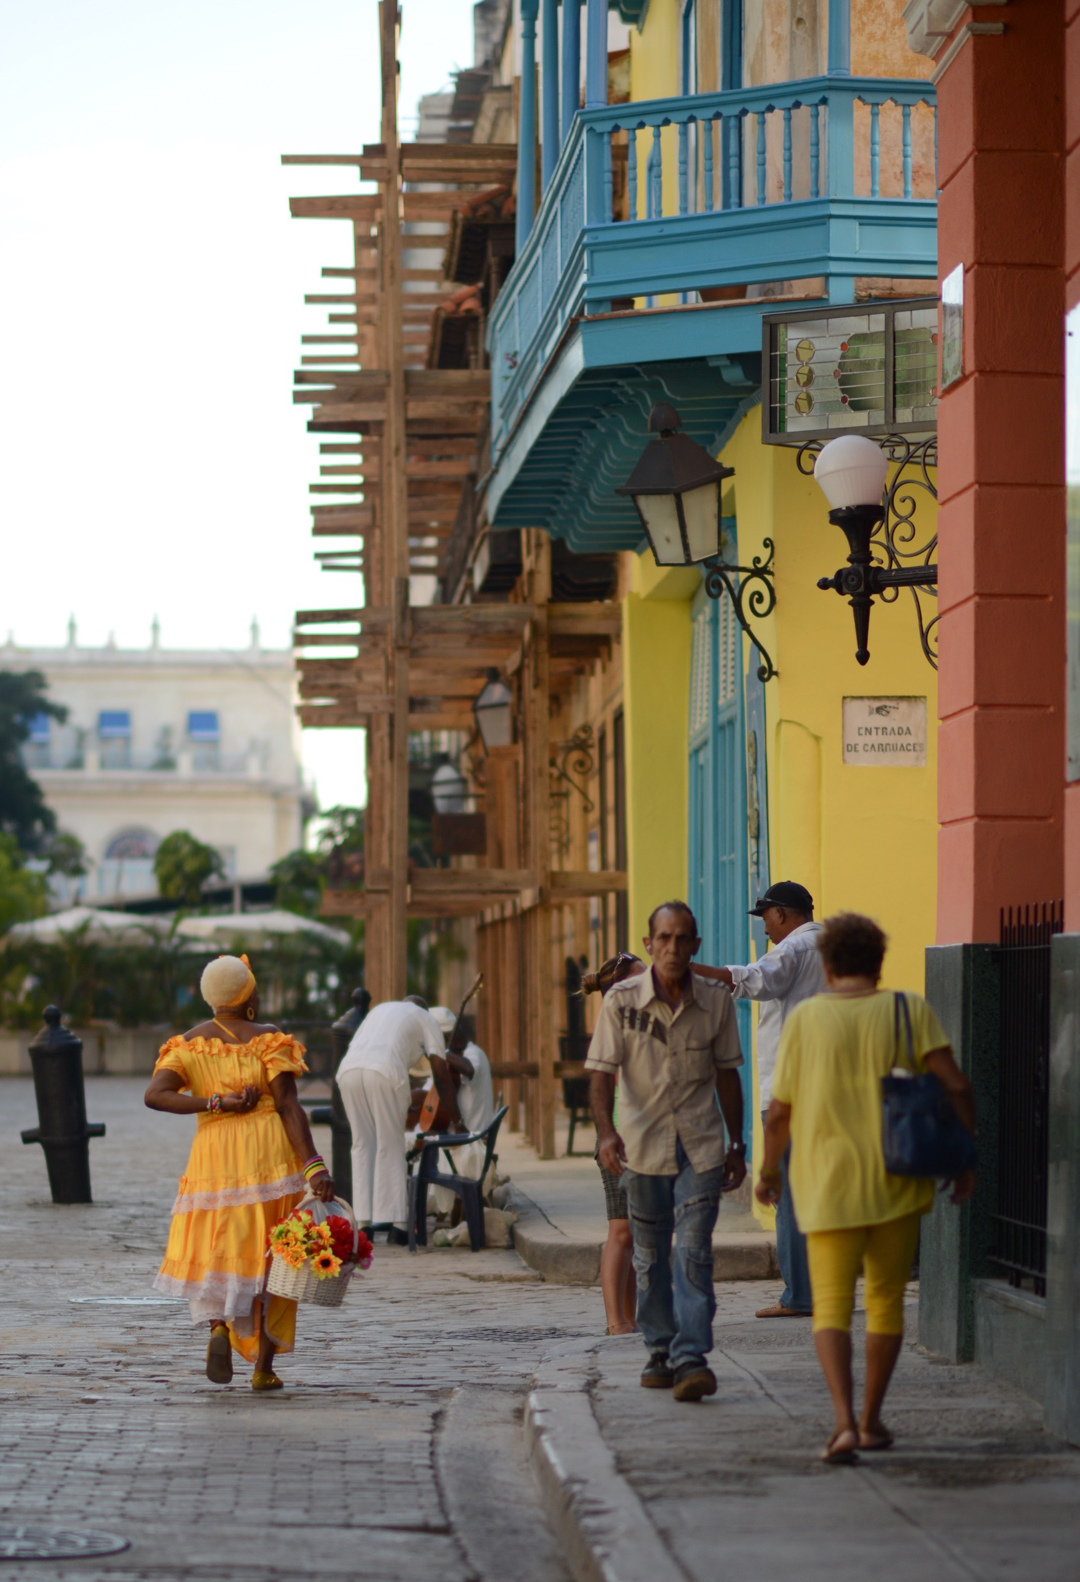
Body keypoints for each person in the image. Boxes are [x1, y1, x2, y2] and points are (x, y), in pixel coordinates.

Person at [756, 912, 976, 1464]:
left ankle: (842, 1423)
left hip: (825, 1183)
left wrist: (766, 1170)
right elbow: (957, 1086)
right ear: (878, 961)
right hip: (897, 1183)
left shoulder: (805, 1021)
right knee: (884, 1304)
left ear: (827, 963)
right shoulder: (909, 1011)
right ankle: (873, 1418)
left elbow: (780, 1111)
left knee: (830, 1306)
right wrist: (965, 1156)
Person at [146, 953, 336, 1391]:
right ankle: (263, 1368)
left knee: (222, 1249)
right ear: (248, 996)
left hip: (214, 1160)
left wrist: (213, 1102)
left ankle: (218, 1326)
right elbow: (289, 1105)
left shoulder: (188, 1045)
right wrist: (314, 1166)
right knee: (277, 1258)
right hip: (269, 1157)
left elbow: (155, 1095)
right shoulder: (268, 1040)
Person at [587, 902, 747, 1402]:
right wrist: (606, 1134)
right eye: (664, 938)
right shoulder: (620, 1001)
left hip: (700, 1147)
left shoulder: (716, 1001)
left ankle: (691, 1356)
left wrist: (737, 1144)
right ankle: (659, 1348)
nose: (674, 948)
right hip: (641, 1149)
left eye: (683, 939)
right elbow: (599, 1074)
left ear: (695, 945)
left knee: (695, 1253)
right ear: (650, 943)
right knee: (651, 1256)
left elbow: (727, 1075)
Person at [712, 880, 824, 1319]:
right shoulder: (835, 945)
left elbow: (755, 981)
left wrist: (692, 971)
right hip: (827, 1088)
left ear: (780, 913)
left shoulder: (794, 950)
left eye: (766, 920)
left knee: (789, 1193)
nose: (765, 931)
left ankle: (800, 1296)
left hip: (789, 1092)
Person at [336, 992, 445, 1244]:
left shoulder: (381, 1010)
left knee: (362, 1144)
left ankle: (363, 1225)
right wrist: (457, 1117)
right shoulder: (426, 1018)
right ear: (423, 1009)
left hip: (348, 1071)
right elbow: (439, 1071)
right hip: (384, 1071)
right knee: (391, 1143)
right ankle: (398, 1226)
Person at [580, 952, 644, 1336]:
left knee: (634, 1235)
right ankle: (614, 1320)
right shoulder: (616, 1024)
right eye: (639, 979)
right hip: (622, 1140)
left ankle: (629, 1317)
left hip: (643, 1139)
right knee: (620, 1232)